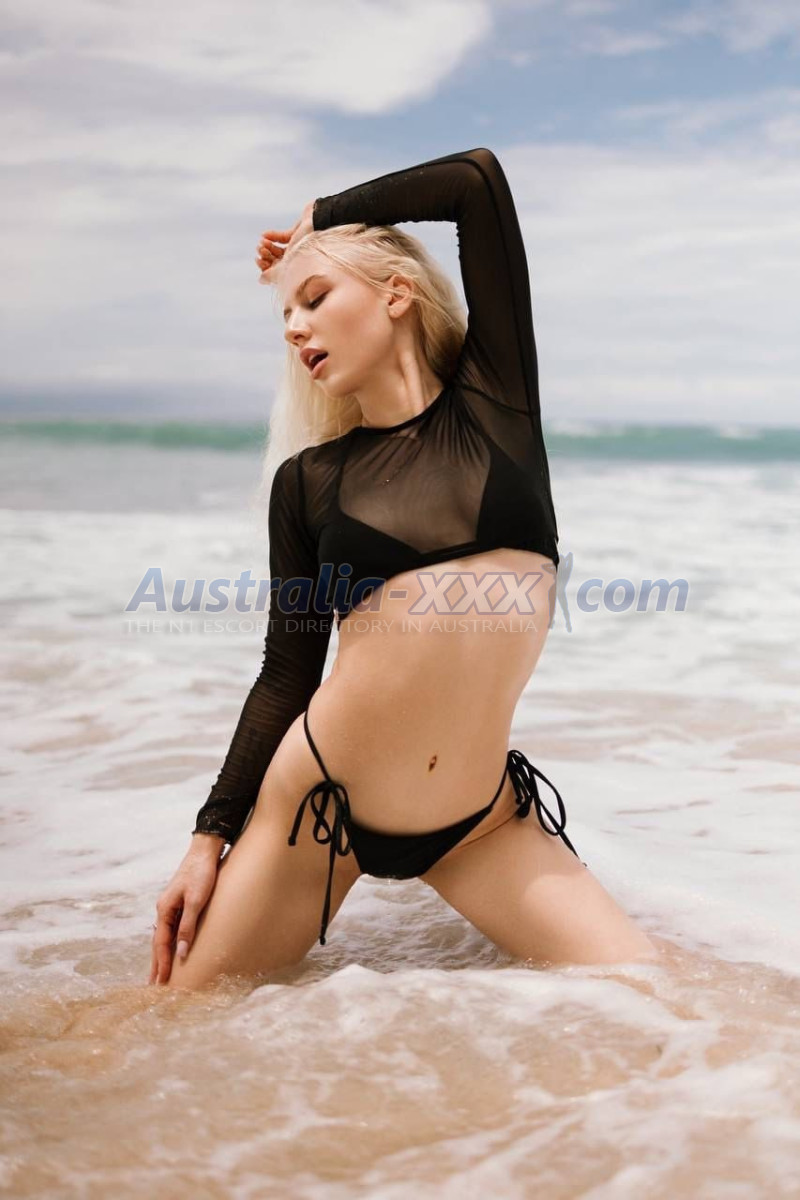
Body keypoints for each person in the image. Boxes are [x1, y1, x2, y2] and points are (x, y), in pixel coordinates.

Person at [149, 147, 657, 989]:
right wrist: (208, 839)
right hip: (319, 812)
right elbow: (286, 674)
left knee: (660, 996)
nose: (295, 327)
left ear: (395, 294)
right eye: (286, 316)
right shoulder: (309, 482)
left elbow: (475, 182)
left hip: (480, 824)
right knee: (169, 1027)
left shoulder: (498, 411)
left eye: (315, 297)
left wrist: (324, 215)